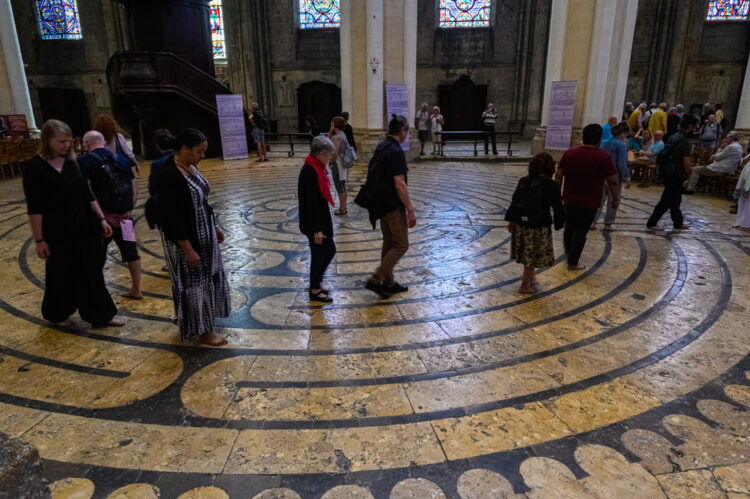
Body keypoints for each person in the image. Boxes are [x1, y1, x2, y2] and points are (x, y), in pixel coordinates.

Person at [22, 119, 125, 328]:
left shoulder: (73, 162)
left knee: (92, 270)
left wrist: (101, 219)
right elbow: (35, 207)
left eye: (69, 141)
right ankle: (58, 313)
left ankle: (101, 314)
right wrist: (39, 239)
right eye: (61, 141)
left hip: (84, 226)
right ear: (47, 140)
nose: (66, 145)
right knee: (60, 272)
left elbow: (87, 194)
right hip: (56, 230)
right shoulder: (34, 167)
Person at [154, 128, 231, 345]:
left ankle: (189, 318)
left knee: (205, 278)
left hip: (203, 232)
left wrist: (213, 225)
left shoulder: (189, 166)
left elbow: (201, 202)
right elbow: (172, 218)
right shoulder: (169, 175)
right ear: (185, 149)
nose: (202, 156)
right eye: (199, 151)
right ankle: (204, 331)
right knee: (195, 283)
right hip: (185, 239)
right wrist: (188, 248)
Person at [79, 130, 142, 300]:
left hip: (103, 221)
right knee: (131, 251)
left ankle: (97, 291)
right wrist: (128, 210)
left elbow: (89, 191)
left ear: (86, 144)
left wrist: (103, 216)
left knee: (97, 254)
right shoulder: (121, 159)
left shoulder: (85, 162)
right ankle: (136, 289)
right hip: (125, 217)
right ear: (104, 141)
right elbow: (134, 185)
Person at [364, 115, 417, 298]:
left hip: (380, 204)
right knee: (401, 244)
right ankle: (376, 279)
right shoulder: (396, 151)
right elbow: (399, 183)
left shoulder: (381, 146)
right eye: (407, 131)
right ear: (402, 130)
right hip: (393, 205)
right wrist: (410, 209)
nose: (407, 134)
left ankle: (388, 282)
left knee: (389, 242)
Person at [555, 124, 619, 271]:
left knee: (569, 227)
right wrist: (615, 199)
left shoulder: (570, 153)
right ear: (599, 139)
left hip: (569, 198)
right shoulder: (604, 157)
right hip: (590, 201)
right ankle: (573, 262)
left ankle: (569, 254)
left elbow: (558, 175)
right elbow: (613, 181)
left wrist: (557, 194)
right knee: (581, 231)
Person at [505, 152, 564, 294]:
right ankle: (525, 286)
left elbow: (515, 201)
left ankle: (532, 280)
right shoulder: (551, 185)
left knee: (528, 256)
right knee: (531, 259)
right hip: (538, 225)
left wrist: (512, 221)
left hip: (520, 224)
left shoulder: (524, 180)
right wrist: (559, 223)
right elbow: (558, 207)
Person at [298, 136, 337, 302]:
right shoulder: (310, 172)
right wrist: (317, 230)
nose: (329, 159)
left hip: (321, 219)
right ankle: (315, 289)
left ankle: (316, 283)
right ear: (321, 154)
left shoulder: (317, 168)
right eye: (328, 156)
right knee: (319, 254)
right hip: (315, 223)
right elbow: (311, 204)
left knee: (329, 251)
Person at [646, 115, 698, 231]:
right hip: (677, 174)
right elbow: (686, 162)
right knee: (666, 200)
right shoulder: (685, 142)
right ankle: (652, 223)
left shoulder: (673, 136)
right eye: (694, 127)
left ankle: (678, 222)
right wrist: (688, 175)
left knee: (676, 200)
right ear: (690, 126)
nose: (695, 130)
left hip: (668, 171)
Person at [594, 123, 631, 231]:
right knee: (614, 199)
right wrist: (626, 177)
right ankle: (608, 223)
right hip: (615, 176)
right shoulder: (621, 145)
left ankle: (592, 221)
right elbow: (621, 164)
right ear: (623, 133)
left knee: (599, 200)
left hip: (602, 175)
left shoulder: (605, 142)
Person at [328, 116, 351, 216]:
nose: (330, 124)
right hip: (343, 164)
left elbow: (334, 152)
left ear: (335, 125)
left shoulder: (336, 137)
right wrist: (330, 131)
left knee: (339, 187)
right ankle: (344, 207)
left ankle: (342, 208)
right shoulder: (342, 134)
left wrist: (331, 162)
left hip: (337, 164)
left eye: (332, 123)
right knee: (343, 186)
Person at [733, 146, 750, 231]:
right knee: (742, 200)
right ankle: (739, 222)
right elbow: (742, 162)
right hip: (746, 175)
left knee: (748, 202)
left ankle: (746, 224)